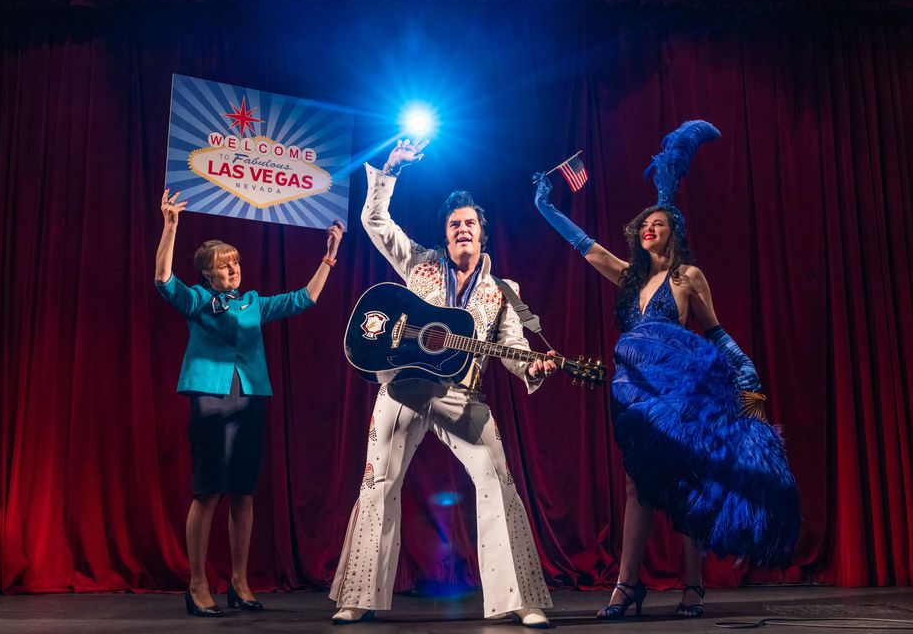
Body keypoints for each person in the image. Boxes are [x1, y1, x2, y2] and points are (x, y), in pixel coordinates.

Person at [531, 121, 799, 619]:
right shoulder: (627, 276)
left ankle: (692, 588)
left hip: (681, 394)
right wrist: (546, 207)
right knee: (637, 486)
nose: (647, 228)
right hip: (632, 394)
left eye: (657, 222)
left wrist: (746, 373)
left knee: (684, 481)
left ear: (673, 228)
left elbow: (715, 331)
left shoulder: (687, 276)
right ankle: (626, 586)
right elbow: (585, 244)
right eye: (644, 224)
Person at [329, 140, 557, 628]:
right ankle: (359, 596)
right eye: (454, 224)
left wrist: (532, 368)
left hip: (461, 395)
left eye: (469, 223)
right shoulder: (420, 263)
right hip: (404, 387)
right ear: (445, 234)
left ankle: (520, 599)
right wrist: (390, 171)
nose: (461, 229)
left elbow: (515, 349)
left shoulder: (504, 292)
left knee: (497, 481)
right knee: (377, 483)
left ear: (482, 234)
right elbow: (375, 223)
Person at [154, 188, 344, 617]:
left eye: (236, 263)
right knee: (208, 492)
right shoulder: (199, 300)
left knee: (243, 493)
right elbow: (164, 281)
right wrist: (170, 228)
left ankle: (239, 583)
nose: (234, 270)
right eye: (225, 266)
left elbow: (304, 299)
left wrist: (328, 258)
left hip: (250, 400)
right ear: (208, 274)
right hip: (211, 400)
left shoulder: (253, 303)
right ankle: (198, 583)